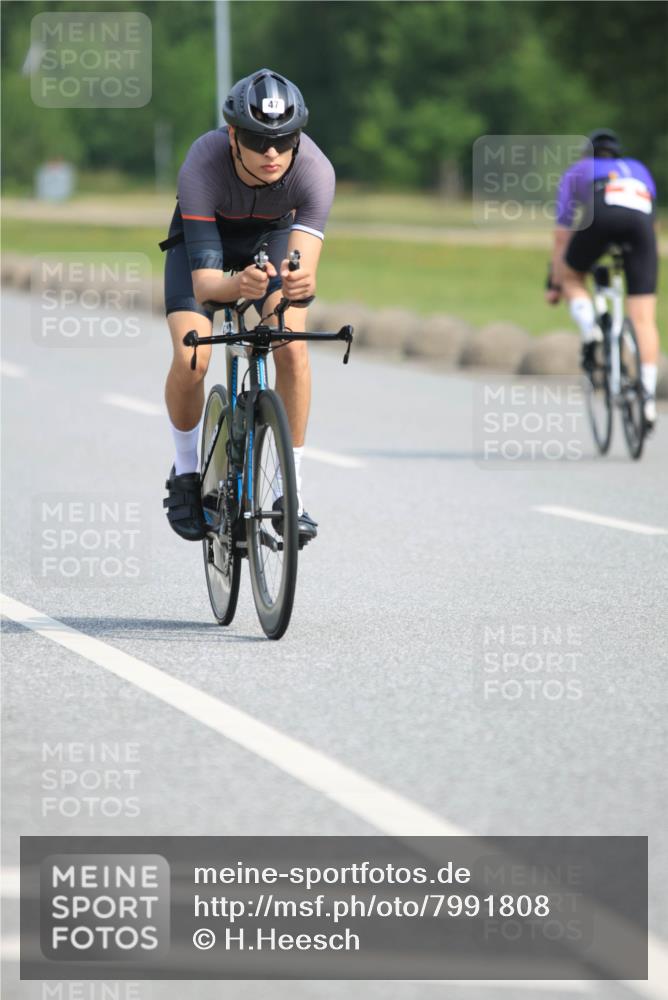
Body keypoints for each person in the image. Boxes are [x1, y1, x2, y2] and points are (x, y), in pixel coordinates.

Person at [161, 68, 335, 541]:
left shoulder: (315, 171)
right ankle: (184, 472)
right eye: (259, 141)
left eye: (284, 140)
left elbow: (305, 273)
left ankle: (290, 492)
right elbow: (205, 286)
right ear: (234, 135)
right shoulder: (203, 161)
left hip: (272, 237)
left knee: (292, 346)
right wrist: (239, 286)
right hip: (206, 244)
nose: (273, 153)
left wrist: (297, 287)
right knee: (192, 358)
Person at [546, 128, 659, 430]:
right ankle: (647, 401)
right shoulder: (638, 169)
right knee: (645, 318)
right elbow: (648, 214)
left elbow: (562, 236)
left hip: (600, 215)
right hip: (641, 226)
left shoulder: (579, 170)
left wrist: (556, 282)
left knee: (573, 277)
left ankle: (590, 328)